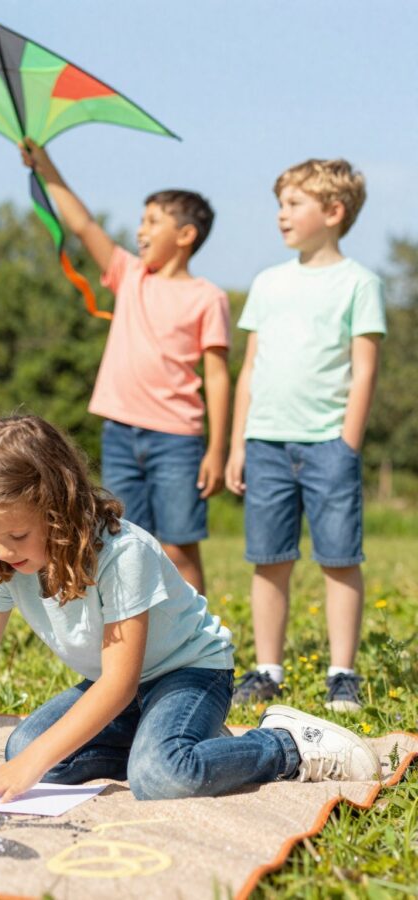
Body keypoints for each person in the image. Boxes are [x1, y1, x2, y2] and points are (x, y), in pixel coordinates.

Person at [0, 415, 380, 802]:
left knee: (158, 776)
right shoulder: (6, 562)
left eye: (17, 535)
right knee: (24, 749)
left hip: (190, 674)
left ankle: (284, 744)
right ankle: (183, 743)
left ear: (58, 509)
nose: (0, 550)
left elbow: (119, 683)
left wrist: (30, 765)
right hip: (124, 690)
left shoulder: (121, 554)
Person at [21, 142, 230, 595]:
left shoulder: (208, 297)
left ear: (186, 234)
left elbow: (216, 376)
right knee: (124, 543)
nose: (140, 229)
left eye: (152, 221)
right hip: (120, 434)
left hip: (176, 440)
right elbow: (83, 224)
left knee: (179, 547)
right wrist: (46, 165)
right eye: (141, 220)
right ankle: (137, 628)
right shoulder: (130, 275)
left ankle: (196, 632)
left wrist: (217, 449)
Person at [226, 159, 386, 712]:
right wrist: (238, 444)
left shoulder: (360, 283)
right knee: (268, 558)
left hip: (327, 446)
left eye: (294, 204)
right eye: (281, 204)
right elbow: (249, 369)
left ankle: (342, 673)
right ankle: (268, 670)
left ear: (333, 211)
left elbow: (364, 370)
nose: (281, 214)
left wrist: (347, 444)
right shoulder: (268, 283)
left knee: (339, 558)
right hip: (266, 444)